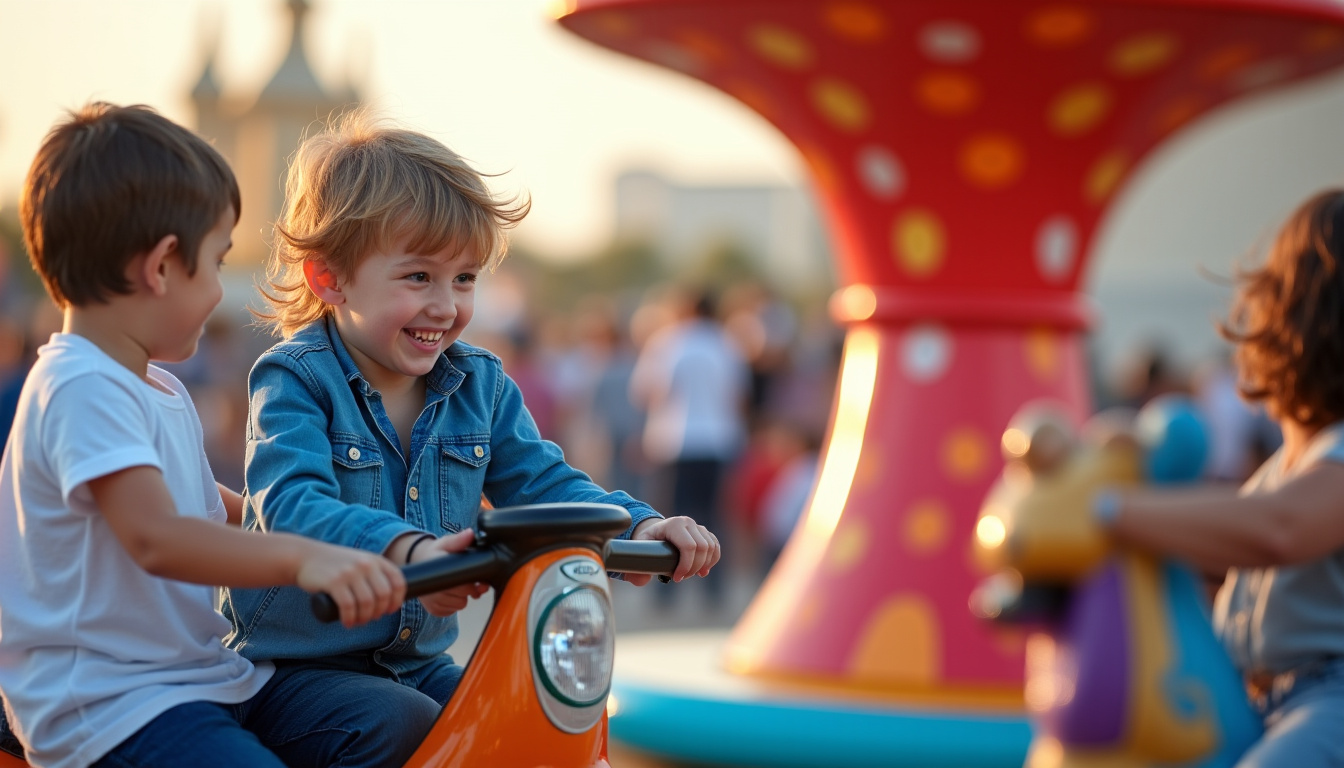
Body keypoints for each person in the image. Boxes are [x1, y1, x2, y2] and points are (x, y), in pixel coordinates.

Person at [220, 111, 720, 759]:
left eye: (464, 279)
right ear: (329, 279)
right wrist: (412, 552)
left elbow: (544, 484)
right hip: (295, 670)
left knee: (517, 724)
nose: (446, 305)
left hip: (418, 663)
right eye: (418, 276)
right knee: (401, 725)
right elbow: (291, 507)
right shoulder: (295, 380)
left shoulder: (478, 386)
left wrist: (642, 527)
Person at [0, 103, 408, 768]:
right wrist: (303, 562)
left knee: (394, 721)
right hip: (111, 705)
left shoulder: (151, 385)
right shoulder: (79, 385)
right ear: (162, 266)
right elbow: (158, 536)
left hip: (202, 679)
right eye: (216, 263)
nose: (222, 291)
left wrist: (348, 542)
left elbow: (205, 505)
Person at [1098, 189, 1344, 767]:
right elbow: (1239, 544)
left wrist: (1110, 510)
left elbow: (1280, 531)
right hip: (1250, 696)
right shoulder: (1285, 469)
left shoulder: (1318, 474)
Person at [630, 286, 749, 607]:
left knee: (668, 518)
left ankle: (665, 589)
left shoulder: (669, 342)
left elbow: (647, 392)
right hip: (718, 439)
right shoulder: (726, 344)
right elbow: (738, 396)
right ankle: (715, 589)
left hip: (675, 439)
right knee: (713, 516)